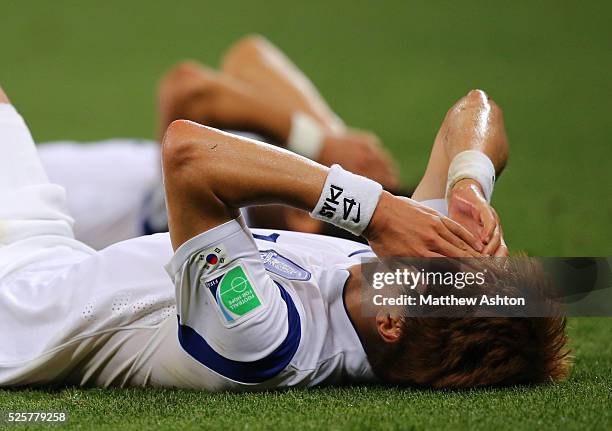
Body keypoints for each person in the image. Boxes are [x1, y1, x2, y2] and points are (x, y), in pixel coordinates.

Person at [0, 81, 569, 389]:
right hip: (45, 257)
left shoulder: (264, 338)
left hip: (15, 316)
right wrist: (470, 184)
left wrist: (376, 213)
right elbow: (475, 109)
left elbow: (189, 153)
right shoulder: (391, 286)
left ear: (393, 320)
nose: (430, 241)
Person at [36, 35, 400, 249]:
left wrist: (322, 146)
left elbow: (188, 89)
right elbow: (248, 55)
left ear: (300, 216)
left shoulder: (205, 212)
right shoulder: (263, 165)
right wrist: (332, 140)